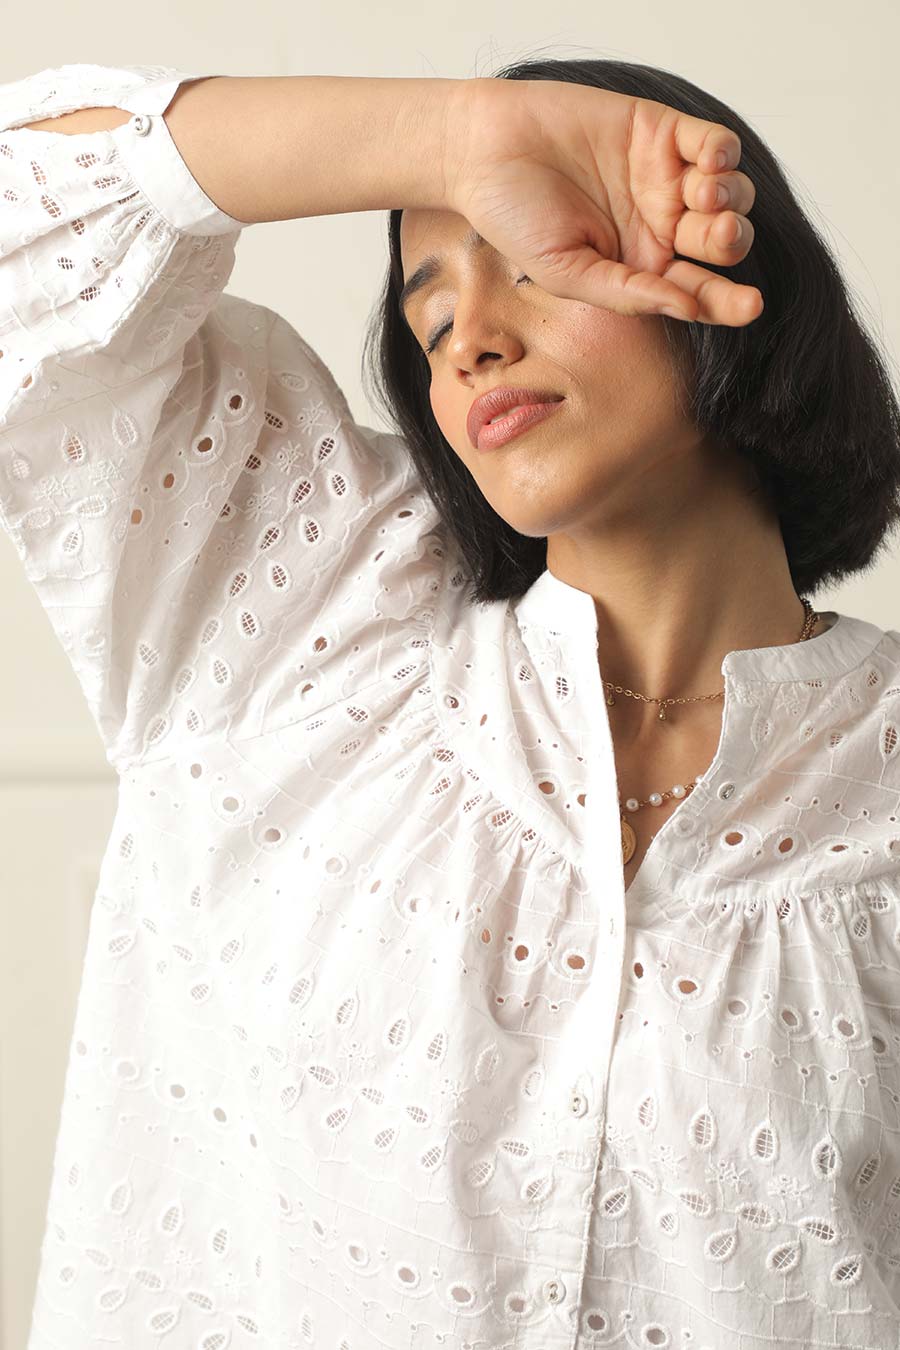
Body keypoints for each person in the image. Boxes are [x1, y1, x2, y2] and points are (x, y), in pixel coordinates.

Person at [1, 57, 898, 1350]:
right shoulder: (296, 623)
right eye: (430, 323)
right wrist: (460, 135)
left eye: (533, 264)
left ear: (723, 279)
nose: (470, 338)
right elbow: (27, 231)